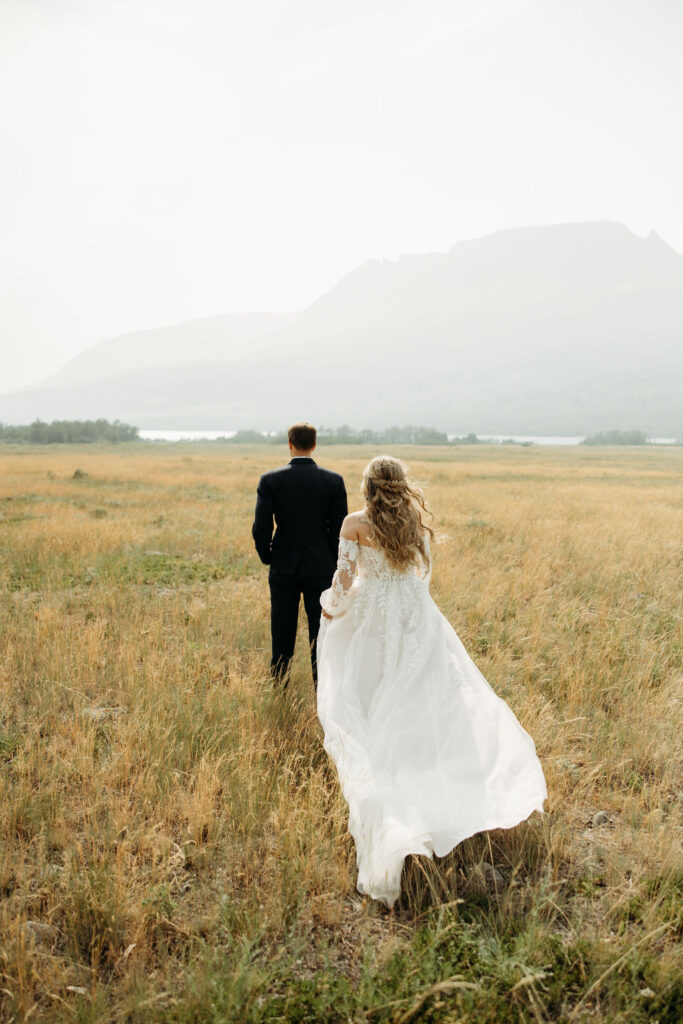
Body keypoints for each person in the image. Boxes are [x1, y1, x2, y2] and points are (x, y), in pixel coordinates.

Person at [316, 455, 547, 908]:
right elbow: (422, 573)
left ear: (367, 487)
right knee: (423, 692)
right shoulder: (413, 523)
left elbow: (344, 579)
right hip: (413, 614)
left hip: (374, 616)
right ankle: (426, 763)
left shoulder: (355, 523)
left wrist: (331, 607)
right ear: (400, 487)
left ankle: (394, 782)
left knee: (366, 690)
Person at [252, 421, 348, 687]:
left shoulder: (270, 480)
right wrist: (331, 559)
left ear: (290, 443)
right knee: (321, 633)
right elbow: (339, 529)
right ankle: (323, 691)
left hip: (284, 564)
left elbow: (261, 527)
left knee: (281, 630)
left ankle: (280, 687)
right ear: (314, 445)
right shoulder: (333, 481)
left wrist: (268, 555)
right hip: (321, 566)